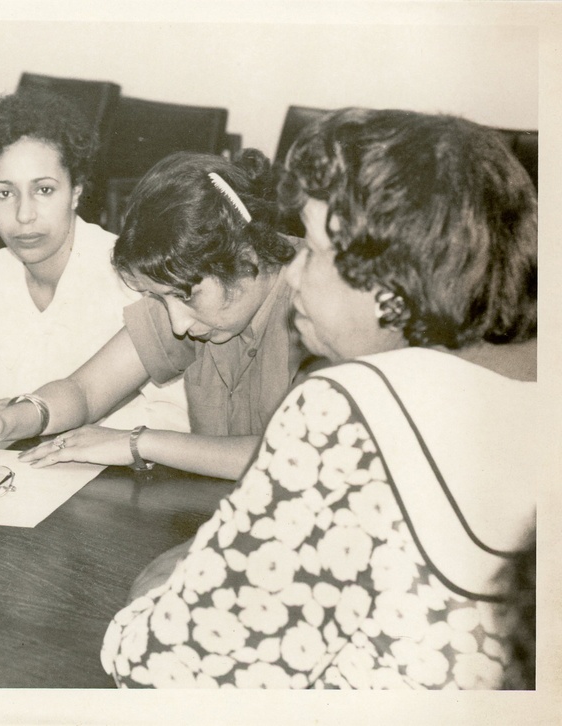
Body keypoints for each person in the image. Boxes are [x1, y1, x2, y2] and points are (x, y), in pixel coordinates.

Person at [99, 108, 539, 689]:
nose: (294, 274)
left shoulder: (350, 405)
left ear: (389, 283)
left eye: (310, 248)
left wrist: (168, 583)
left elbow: (158, 661)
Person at [0, 148, 303, 480]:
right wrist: (8, 419)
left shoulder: (318, 302)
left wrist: (137, 442)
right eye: (162, 300)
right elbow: (85, 390)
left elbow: (298, 455)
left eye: (187, 298)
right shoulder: (186, 288)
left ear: (246, 256)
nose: (177, 324)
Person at [0, 90, 188, 431]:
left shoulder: (136, 284)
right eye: (4, 193)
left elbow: (174, 418)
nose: (24, 214)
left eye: (44, 190)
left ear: (76, 191)